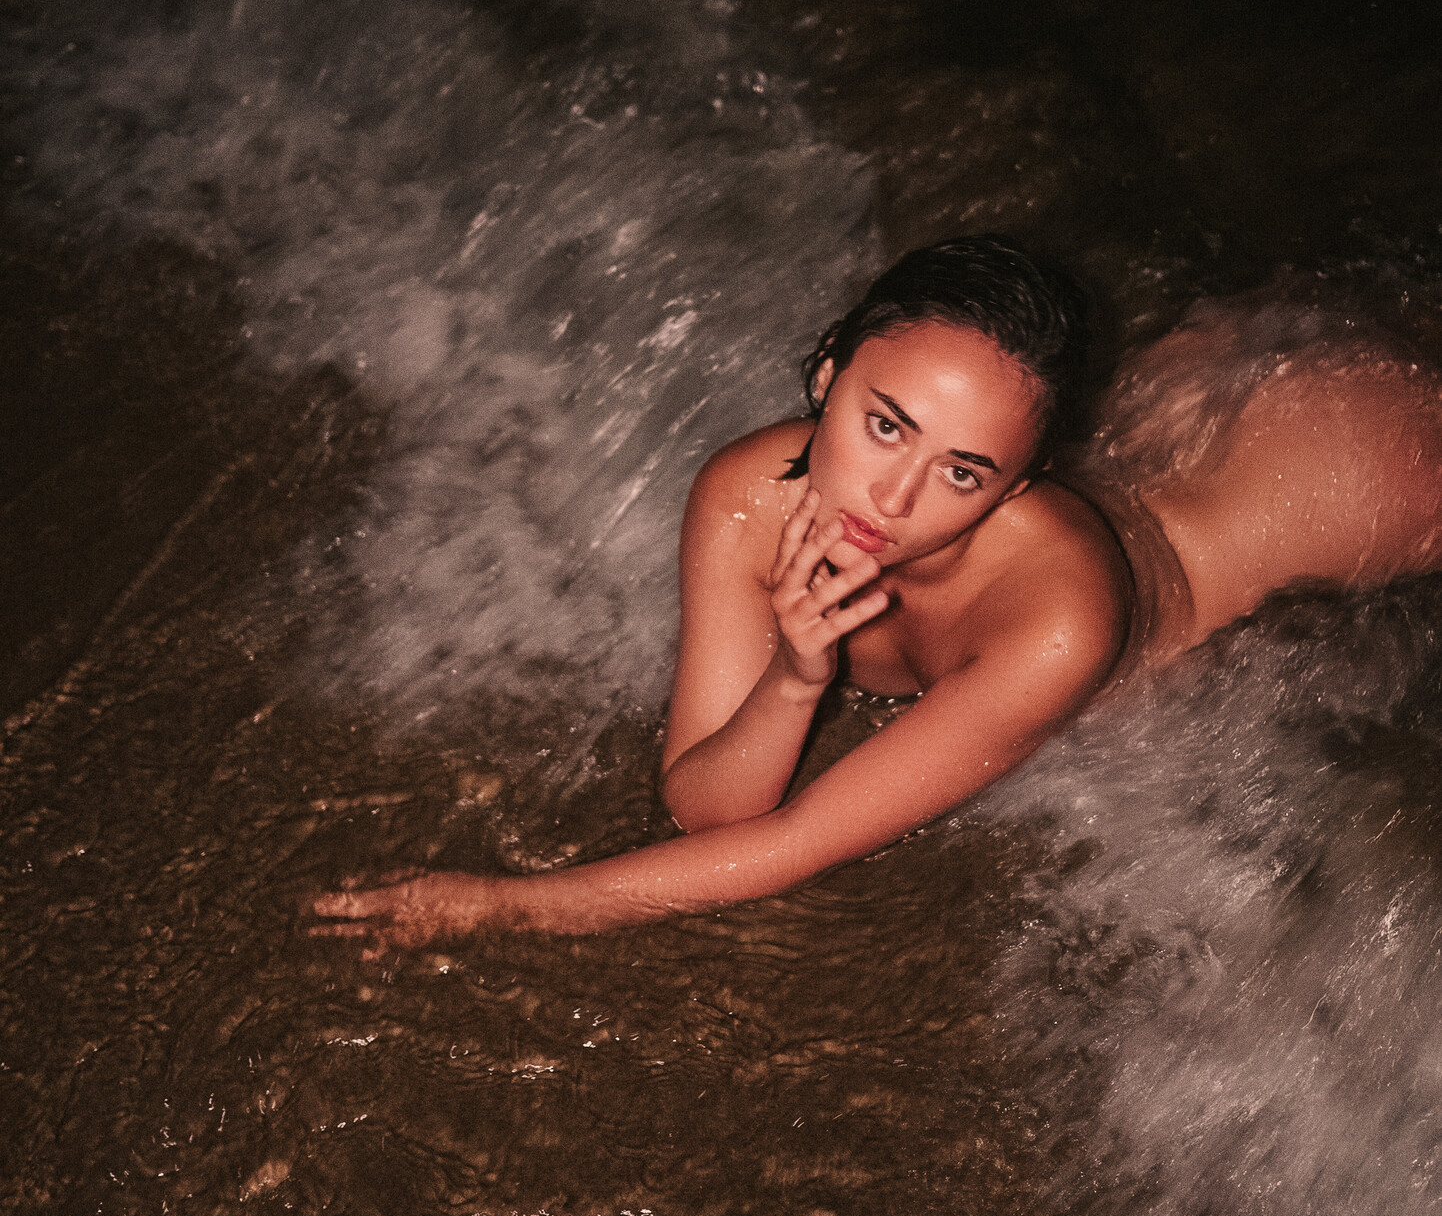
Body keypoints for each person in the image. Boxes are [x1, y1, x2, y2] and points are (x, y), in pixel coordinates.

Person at [313, 238, 1442, 950]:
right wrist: (793, 678)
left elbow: (793, 846)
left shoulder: (1056, 625)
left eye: (964, 473)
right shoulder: (746, 499)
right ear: (826, 372)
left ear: (1020, 483)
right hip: (1200, 410)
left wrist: (506, 905)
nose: (891, 498)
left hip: (1329, 488)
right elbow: (707, 805)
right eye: (884, 424)